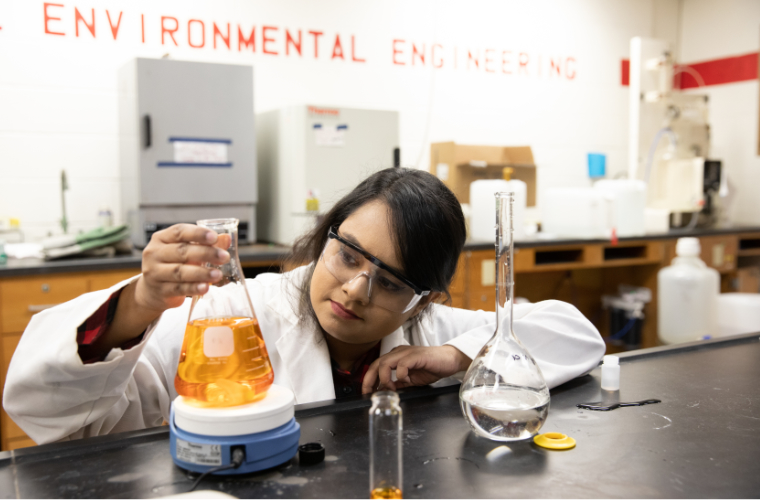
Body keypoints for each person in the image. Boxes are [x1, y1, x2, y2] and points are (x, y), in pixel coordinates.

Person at [4, 168, 605, 445]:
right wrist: (139, 302)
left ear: (422, 299)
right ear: (328, 235)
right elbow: (71, 415)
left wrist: (456, 356)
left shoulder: (429, 327)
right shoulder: (235, 315)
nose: (355, 291)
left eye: (391, 283)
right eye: (348, 257)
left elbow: (575, 334)